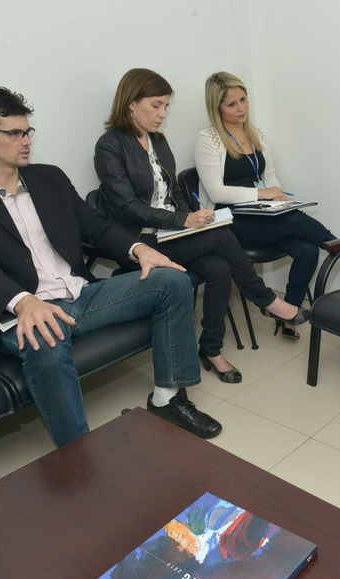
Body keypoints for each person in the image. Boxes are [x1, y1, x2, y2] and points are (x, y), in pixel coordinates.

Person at [0, 87, 222, 446]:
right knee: (45, 337)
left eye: (27, 131)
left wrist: (139, 248)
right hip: (19, 312)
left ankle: (167, 400)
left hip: (80, 296)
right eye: (14, 133)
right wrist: (24, 301)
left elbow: (95, 227)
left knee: (172, 280)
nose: (26, 141)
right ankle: (77, 452)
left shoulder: (48, 178)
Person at [94, 69, 308, 382]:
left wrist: (194, 216)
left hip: (169, 233)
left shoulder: (157, 140)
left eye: (166, 107)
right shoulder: (110, 146)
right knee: (221, 237)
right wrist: (182, 220)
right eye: (156, 106)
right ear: (131, 103)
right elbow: (126, 207)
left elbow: (174, 193)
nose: (163, 114)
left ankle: (210, 349)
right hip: (140, 243)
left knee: (219, 268)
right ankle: (266, 300)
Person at [194, 71, 340, 340]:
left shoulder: (255, 133)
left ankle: (288, 315)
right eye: (231, 104)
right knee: (294, 221)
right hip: (229, 220)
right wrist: (263, 195)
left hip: (261, 214)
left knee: (307, 250)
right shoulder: (208, 139)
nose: (241, 108)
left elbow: (269, 175)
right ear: (217, 107)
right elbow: (215, 190)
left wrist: (278, 196)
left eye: (243, 99)